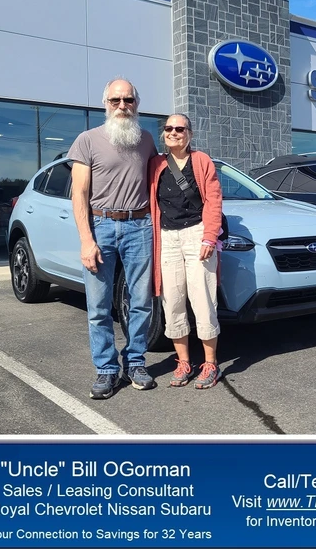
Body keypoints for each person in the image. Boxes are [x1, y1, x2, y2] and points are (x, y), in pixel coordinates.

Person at [68, 78, 158, 399]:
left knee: (141, 302)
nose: (123, 106)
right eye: (116, 100)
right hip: (101, 225)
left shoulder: (146, 140)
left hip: (139, 226)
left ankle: (135, 362)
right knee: (98, 306)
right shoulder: (87, 140)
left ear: (136, 103)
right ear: (105, 103)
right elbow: (78, 193)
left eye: (128, 100)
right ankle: (106, 369)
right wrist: (85, 240)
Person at [149, 113, 223, 389]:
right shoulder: (156, 164)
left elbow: (214, 201)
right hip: (167, 238)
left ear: (189, 134)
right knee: (173, 301)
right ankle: (183, 362)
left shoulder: (202, 161)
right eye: (169, 128)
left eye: (179, 128)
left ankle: (210, 363)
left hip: (197, 235)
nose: (173, 133)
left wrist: (209, 238)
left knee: (203, 300)